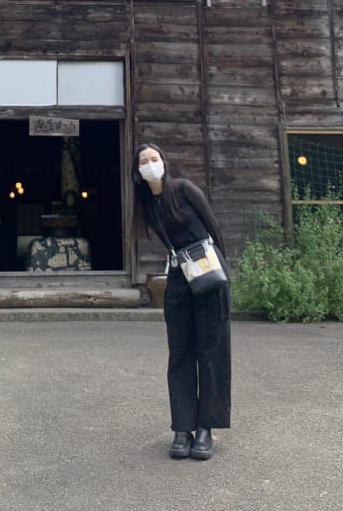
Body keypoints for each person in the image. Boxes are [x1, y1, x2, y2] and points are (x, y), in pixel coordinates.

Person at [132, 142, 231, 461]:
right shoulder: (146, 203)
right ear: (138, 170)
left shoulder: (185, 189)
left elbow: (214, 229)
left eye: (154, 158)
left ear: (164, 160)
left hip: (208, 273)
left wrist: (219, 271)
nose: (150, 164)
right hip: (178, 279)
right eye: (144, 161)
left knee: (212, 350)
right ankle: (182, 427)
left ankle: (206, 428)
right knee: (180, 352)